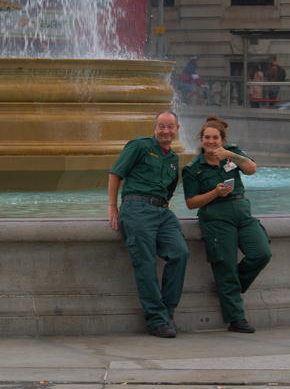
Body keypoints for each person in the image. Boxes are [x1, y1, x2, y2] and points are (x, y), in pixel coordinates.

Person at [182, 115, 271, 334]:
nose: (211, 142)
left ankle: (229, 287)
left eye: (215, 138)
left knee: (262, 253)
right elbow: (191, 203)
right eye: (207, 138)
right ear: (201, 139)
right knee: (226, 267)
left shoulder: (232, 153)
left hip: (242, 213)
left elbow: (251, 169)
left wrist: (230, 155)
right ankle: (236, 320)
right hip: (216, 219)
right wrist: (215, 192)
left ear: (222, 139)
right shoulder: (193, 168)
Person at [108, 110, 189, 338]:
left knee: (180, 253)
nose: (166, 131)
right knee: (145, 263)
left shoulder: (173, 159)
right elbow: (115, 174)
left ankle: (168, 311)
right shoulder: (140, 146)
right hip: (136, 209)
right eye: (161, 126)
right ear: (154, 128)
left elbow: (169, 191)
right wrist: (113, 207)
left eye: (170, 127)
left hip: (162, 211)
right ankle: (157, 320)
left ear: (177, 129)